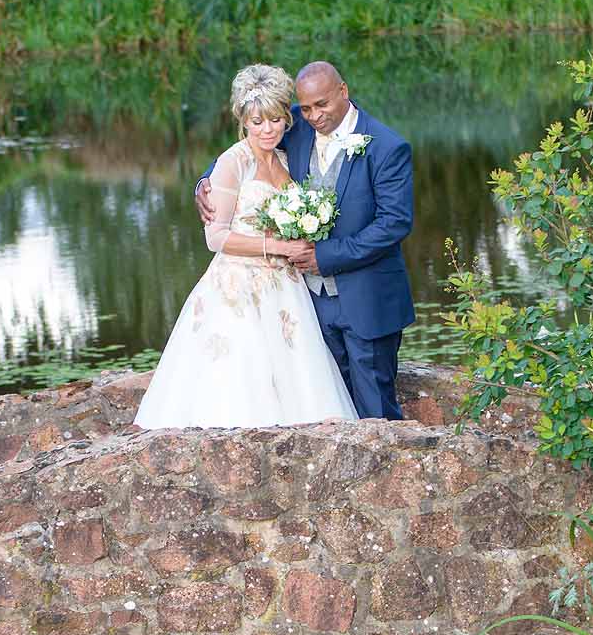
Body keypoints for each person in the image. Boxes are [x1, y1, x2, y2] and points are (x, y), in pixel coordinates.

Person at [133, 63, 360, 429]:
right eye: (257, 122)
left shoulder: (287, 159)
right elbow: (216, 237)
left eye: (274, 120)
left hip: (286, 288)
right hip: (238, 287)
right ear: (244, 121)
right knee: (242, 373)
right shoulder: (232, 162)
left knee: (297, 374)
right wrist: (280, 246)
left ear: (287, 118)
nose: (267, 130)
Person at [196, 59, 415, 420]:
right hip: (306, 301)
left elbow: (393, 224)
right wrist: (203, 184)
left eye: (322, 105)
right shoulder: (294, 124)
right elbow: (247, 147)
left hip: (367, 299)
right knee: (325, 404)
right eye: (307, 107)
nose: (314, 115)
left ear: (343, 92)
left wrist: (325, 256)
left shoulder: (387, 148)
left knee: (376, 409)